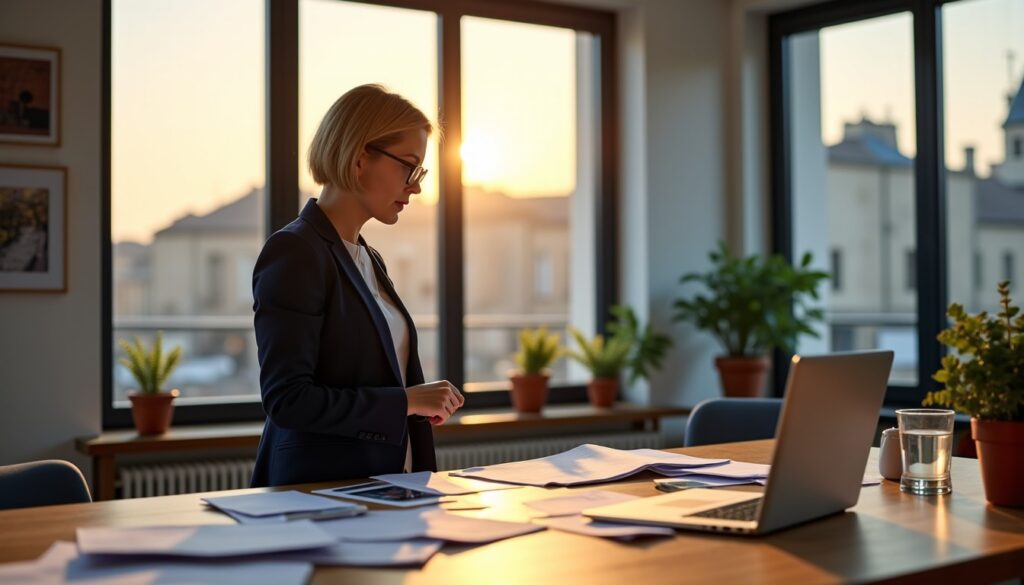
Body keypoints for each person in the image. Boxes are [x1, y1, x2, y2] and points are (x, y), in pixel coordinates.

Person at [250, 84, 464, 487]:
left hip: (390, 487)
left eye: (420, 172)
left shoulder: (368, 257)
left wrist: (416, 400)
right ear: (361, 156)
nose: (416, 186)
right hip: (321, 495)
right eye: (409, 167)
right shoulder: (295, 251)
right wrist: (406, 400)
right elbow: (288, 399)